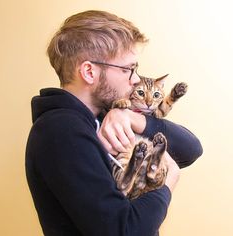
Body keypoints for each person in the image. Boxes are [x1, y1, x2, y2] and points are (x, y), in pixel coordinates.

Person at [25, 10, 203, 236]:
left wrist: (132, 118)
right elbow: (123, 231)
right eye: (128, 69)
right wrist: (167, 185)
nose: (136, 78)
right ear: (89, 72)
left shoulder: (103, 117)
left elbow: (191, 150)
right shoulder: (60, 131)